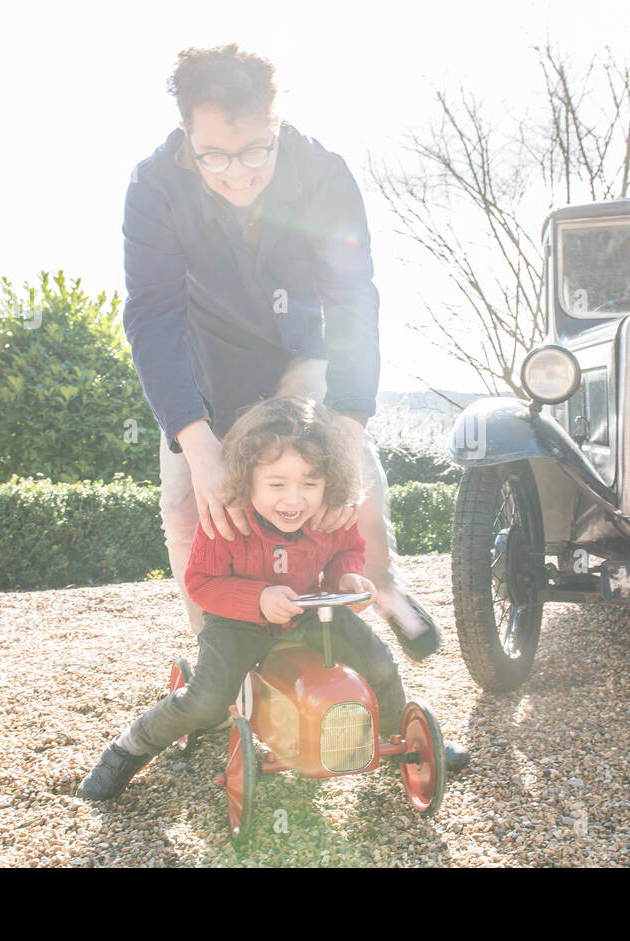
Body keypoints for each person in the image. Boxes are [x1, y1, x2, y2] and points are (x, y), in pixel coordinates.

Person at [120, 43, 440, 662]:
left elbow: (350, 295)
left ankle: (383, 586)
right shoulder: (153, 185)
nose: (235, 172)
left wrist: (349, 420)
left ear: (277, 123)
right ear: (187, 131)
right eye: (213, 155)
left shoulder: (323, 173)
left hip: (299, 345)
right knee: (192, 507)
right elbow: (153, 314)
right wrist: (196, 440)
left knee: (343, 462)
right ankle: (222, 656)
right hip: (203, 357)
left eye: (254, 152)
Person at [77, 398, 468, 801]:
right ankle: (127, 748)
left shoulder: (328, 515)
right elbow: (202, 583)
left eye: (310, 484)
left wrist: (348, 577)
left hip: (309, 610)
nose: (294, 500)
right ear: (247, 479)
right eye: (277, 484)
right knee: (208, 703)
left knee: (379, 664)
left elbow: (346, 551)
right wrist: (258, 598)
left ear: (328, 481)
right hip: (236, 620)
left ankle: (396, 741)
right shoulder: (226, 521)